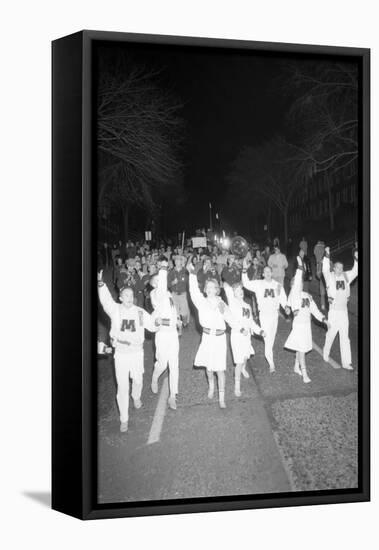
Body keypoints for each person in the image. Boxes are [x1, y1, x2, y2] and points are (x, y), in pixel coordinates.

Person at [97, 270, 156, 433]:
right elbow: (106, 300)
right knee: (122, 387)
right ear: (121, 298)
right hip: (121, 354)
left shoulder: (139, 312)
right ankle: (124, 418)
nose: (129, 298)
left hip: (136, 353)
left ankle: (136, 396)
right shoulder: (115, 310)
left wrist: (158, 321)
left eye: (131, 296)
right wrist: (101, 284)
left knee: (137, 380)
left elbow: (151, 325)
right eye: (126, 295)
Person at [187, 258, 238, 408]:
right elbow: (193, 291)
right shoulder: (201, 302)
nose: (210, 290)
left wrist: (240, 328)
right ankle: (211, 386)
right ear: (205, 289)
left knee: (220, 369)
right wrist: (191, 274)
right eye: (207, 287)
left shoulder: (221, 303)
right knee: (209, 369)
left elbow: (230, 318)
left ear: (217, 289)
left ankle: (221, 398)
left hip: (220, 338)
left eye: (213, 287)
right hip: (207, 337)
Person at [284, 257, 330, 383]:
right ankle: (304, 373)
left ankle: (295, 366)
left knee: (301, 347)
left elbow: (315, 310)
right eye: (295, 283)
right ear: (293, 285)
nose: (298, 284)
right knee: (302, 349)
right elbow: (288, 303)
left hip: (306, 325)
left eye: (298, 283)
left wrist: (324, 320)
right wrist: (299, 268)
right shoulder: (293, 294)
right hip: (298, 325)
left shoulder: (307, 296)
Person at [242, 259, 288, 373]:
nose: (267, 273)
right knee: (267, 339)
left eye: (269, 271)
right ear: (263, 274)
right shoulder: (258, 284)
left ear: (272, 273)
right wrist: (244, 270)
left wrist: (286, 307)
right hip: (264, 315)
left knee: (271, 339)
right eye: (265, 271)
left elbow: (283, 298)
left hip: (274, 315)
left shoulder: (277, 285)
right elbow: (246, 283)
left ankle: (269, 354)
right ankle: (271, 363)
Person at [224, 282, 265, 396]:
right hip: (237, 335)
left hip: (247, 336)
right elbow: (228, 290)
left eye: (241, 289)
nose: (240, 291)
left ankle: (243, 368)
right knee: (239, 361)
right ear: (234, 293)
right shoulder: (232, 303)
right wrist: (227, 286)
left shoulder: (247, 306)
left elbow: (251, 322)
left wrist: (260, 331)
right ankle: (237, 386)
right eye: (237, 290)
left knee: (246, 356)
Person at [150, 261, 181, 410]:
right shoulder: (155, 293)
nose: (160, 281)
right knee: (162, 364)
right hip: (162, 332)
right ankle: (155, 376)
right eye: (156, 280)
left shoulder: (168, 294)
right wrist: (162, 269)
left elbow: (172, 310)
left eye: (160, 278)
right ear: (153, 284)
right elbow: (162, 287)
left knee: (174, 364)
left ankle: (173, 396)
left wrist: (178, 320)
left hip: (172, 332)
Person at [322, 246, 358, 370]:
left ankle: (346, 362)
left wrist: (356, 259)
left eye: (342, 268)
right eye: (338, 267)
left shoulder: (346, 276)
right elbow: (324, 269)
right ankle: (326, 352)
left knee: (345, 336)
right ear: (334, 268)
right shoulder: (329, 277)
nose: (340, 269)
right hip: (333, 311)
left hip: (344, 311)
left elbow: (355, 271)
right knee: (331, 333)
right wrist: (327, 255)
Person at [167, 255, 190, 328]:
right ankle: (178, 328)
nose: (177, 261)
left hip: (183, 294)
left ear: (181, 262)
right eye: (176, 260)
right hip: (174, 294)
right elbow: (168, 284)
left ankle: (185, 322)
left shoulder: (185, 271)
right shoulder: (171, 272)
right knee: (176, 312)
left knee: (184, 313)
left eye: (179, 260)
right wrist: (173, 282)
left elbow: (189, 282)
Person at [313, 240, 326, 310]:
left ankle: (323, 304)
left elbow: (314, 252)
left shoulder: (316, 248)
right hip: (325, 267)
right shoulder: (324, 249)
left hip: (319, 267)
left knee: (321, 284)